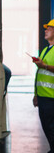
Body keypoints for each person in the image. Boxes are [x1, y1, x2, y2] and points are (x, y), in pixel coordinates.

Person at [33, 19, 54, 153]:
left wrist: (44, 65)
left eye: (49, 28)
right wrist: (36, 95)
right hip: (42, 96)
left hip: (52, 98)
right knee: (47, 127)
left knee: (52, 128)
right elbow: (39, 74)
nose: (45, 31)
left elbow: (45, 68)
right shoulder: (46, 49)